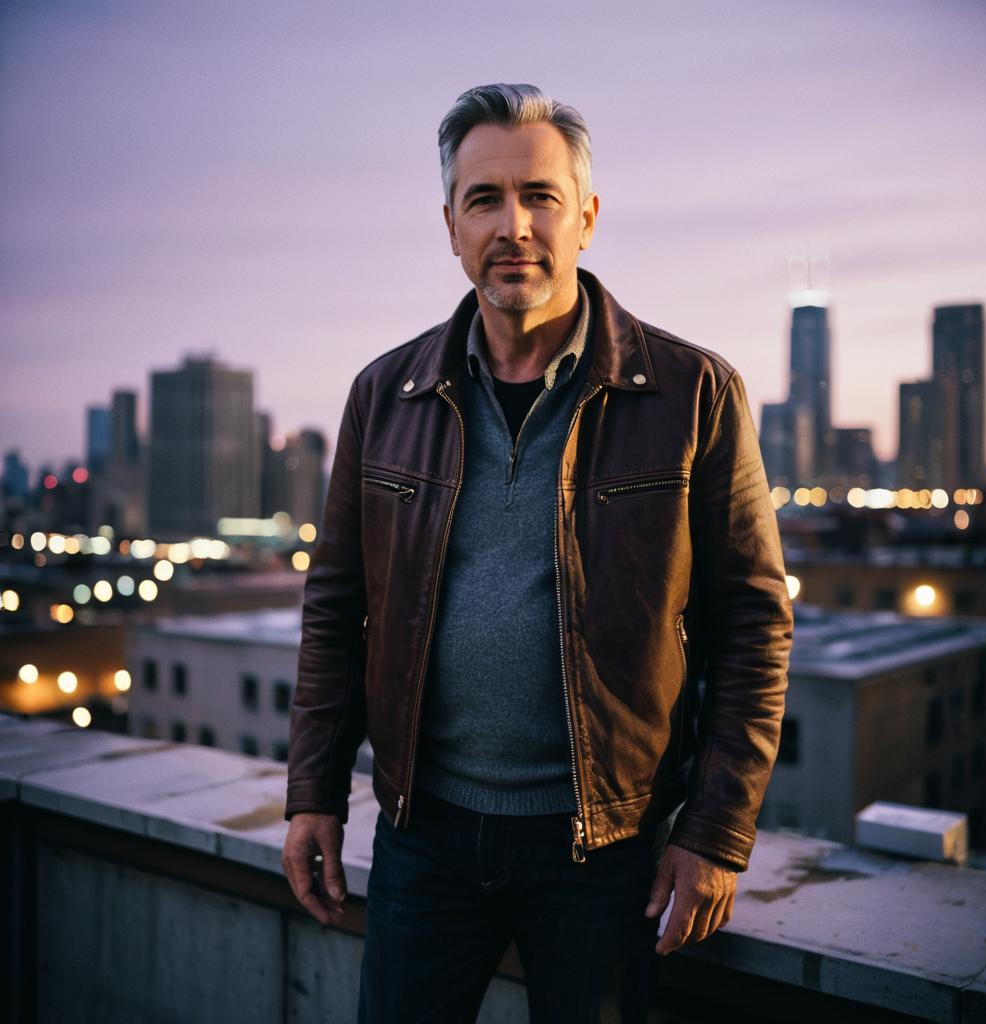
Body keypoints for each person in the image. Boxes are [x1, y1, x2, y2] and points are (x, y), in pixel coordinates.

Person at [281, 83, 793, 1023]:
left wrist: (717, 832)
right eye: (484, 199)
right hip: (423, 837)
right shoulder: (383, 396)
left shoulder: (694, 394)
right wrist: (313, 791)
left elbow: (755, 628)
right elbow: (336, 608)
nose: (513, 226)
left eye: (539, 196)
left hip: (606, 851)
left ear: (586, 217)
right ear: (451, 226)